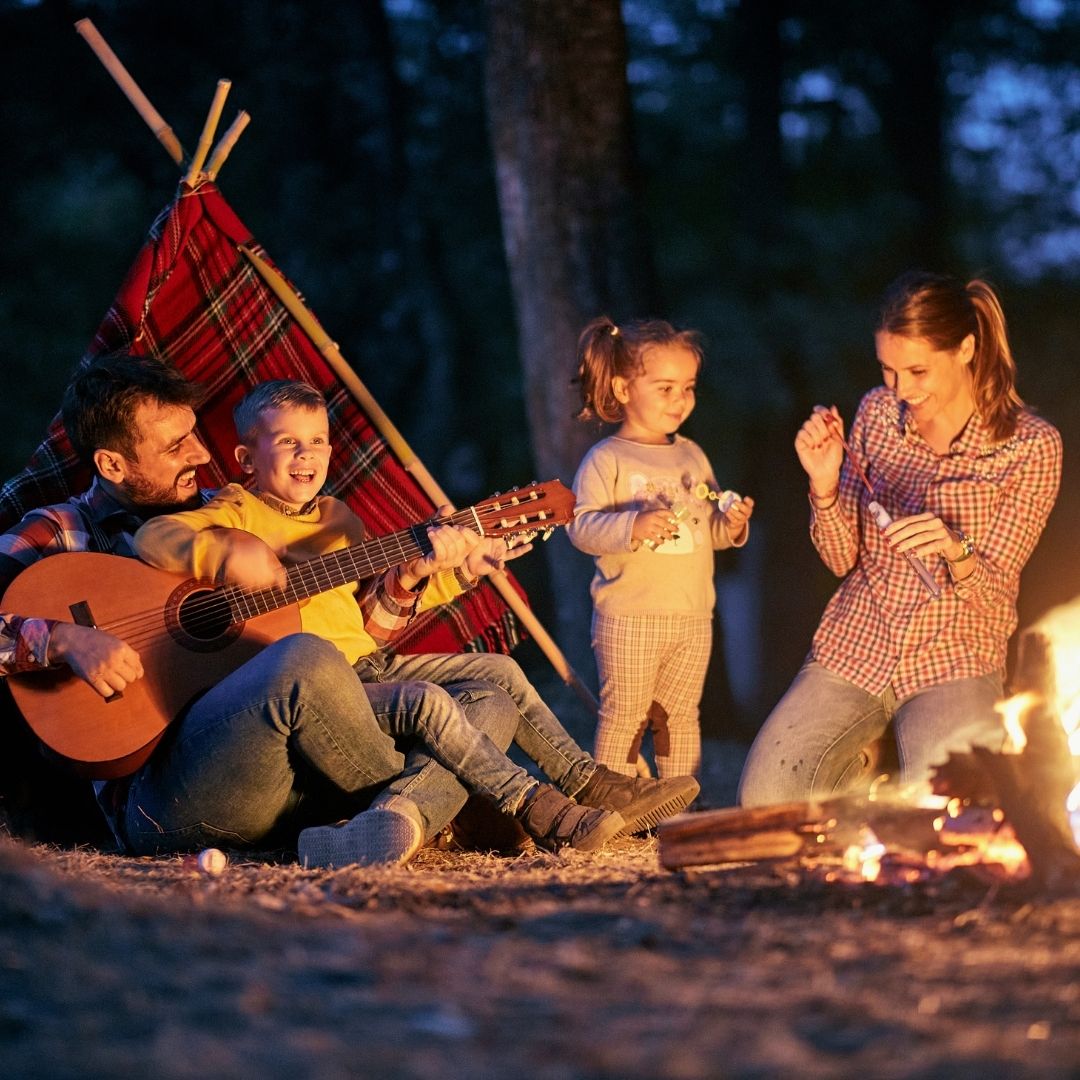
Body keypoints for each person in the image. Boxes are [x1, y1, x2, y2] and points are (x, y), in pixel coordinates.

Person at [132, 379, 701, 867]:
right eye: (287, 443)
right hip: (315, 687)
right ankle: (531, 808)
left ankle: (587, 781)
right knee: (432, 702)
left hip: (365, 665)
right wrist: (222, 553)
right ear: (247, 458)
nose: (306, 454)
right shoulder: (234, 509)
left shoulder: (339, 520)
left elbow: (369, 626)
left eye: (318, 442)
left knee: (498, 675)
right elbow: (153, 537)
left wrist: (446, 571)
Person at [738, 271, 1063, 807]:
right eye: (888, 370)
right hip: (859, 642)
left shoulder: (1030, 447)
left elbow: (994, 591)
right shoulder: (876, 414)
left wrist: (955, 548)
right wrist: (823, 484)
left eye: (917, 370)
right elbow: (841, 558)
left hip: (956, 653)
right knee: (767, 800)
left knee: (954, 811)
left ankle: (884, 768)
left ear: (965, 348)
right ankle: (869, 763)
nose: (901, 390)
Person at [567, 317, 755, 779]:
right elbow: (581, 527)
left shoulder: (691, 453)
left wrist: (730, 526)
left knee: (681, 716)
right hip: (629, 615)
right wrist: (632, 524)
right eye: (665, 387)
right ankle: (614, 801)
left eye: (687, 387)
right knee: (625, 715)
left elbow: (704, 529)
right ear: (623, 388)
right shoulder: (607, 458)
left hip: (692, 616)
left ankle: (678, 806)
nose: (680, 400)